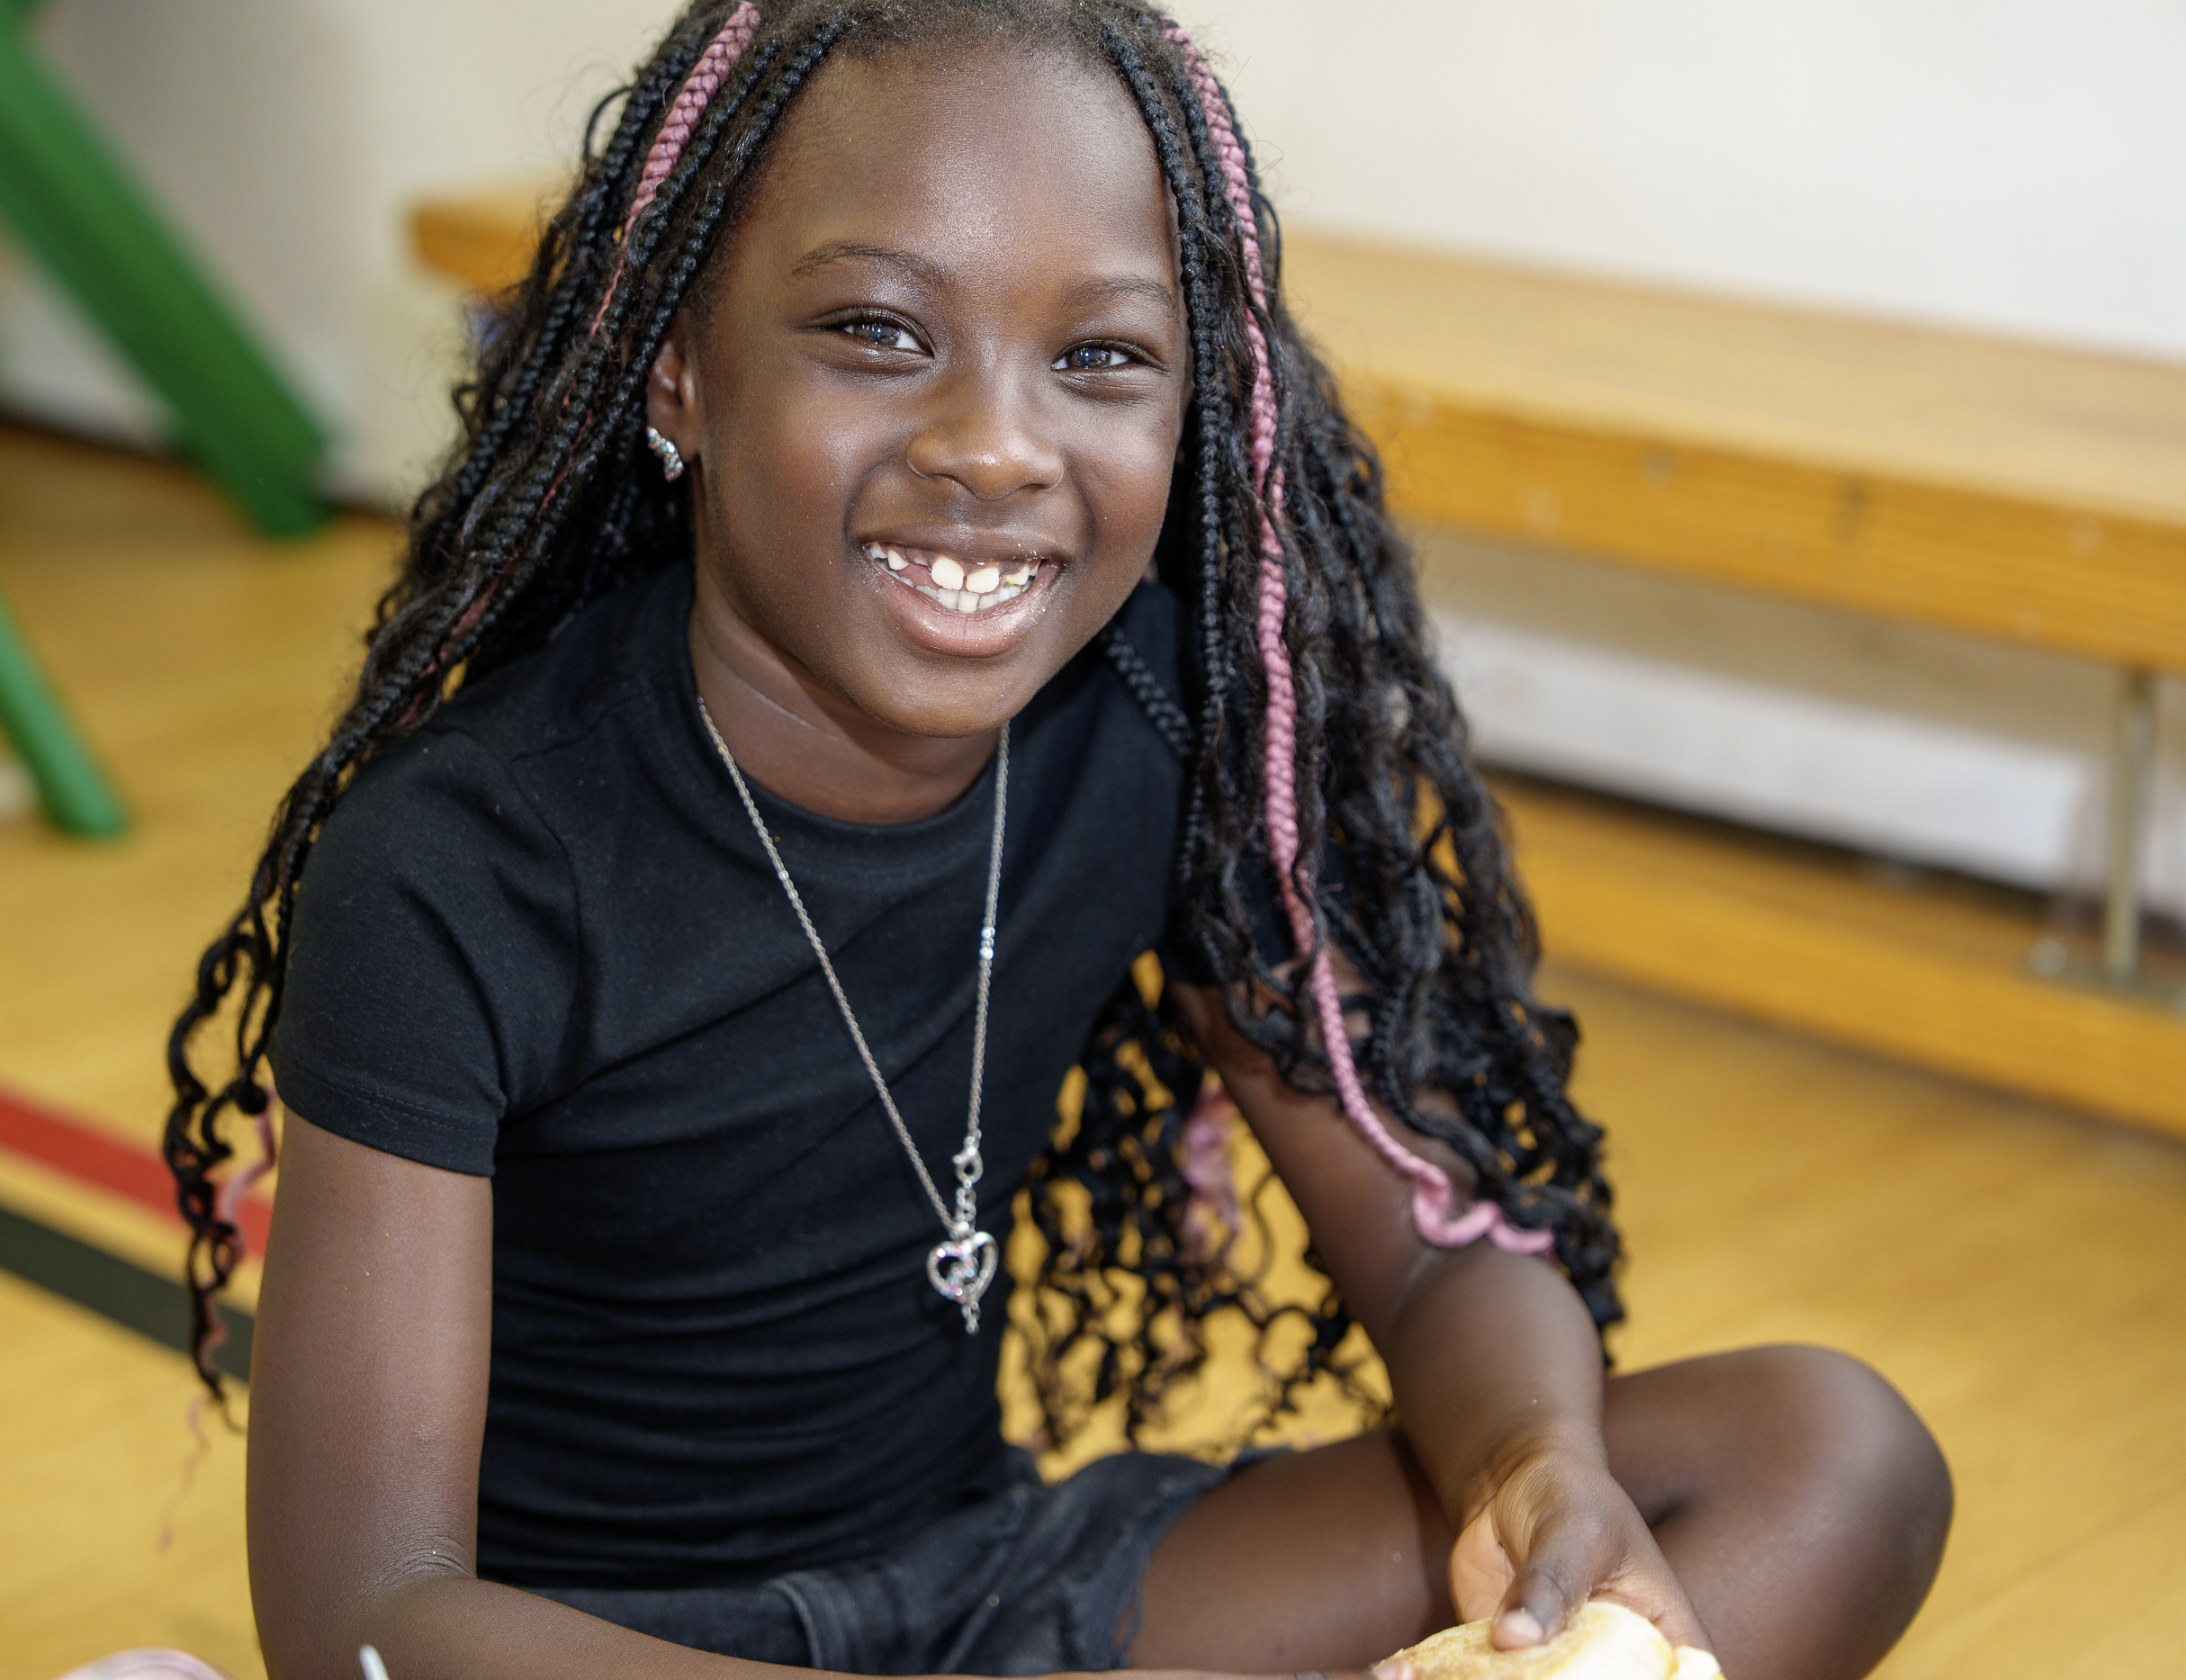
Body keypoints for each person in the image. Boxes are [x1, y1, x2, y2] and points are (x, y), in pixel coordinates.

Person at [160, 4, 1952, 1676]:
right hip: (602, 1648)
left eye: (1100, 358)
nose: (994, 447)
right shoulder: (461, 859)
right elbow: (364, 1612)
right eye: (878, 331)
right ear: (679, 369)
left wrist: (1534, 1464)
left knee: (1821, 1458)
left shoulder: (1155, 720)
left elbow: (1421, 1244)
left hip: (999, 1586)